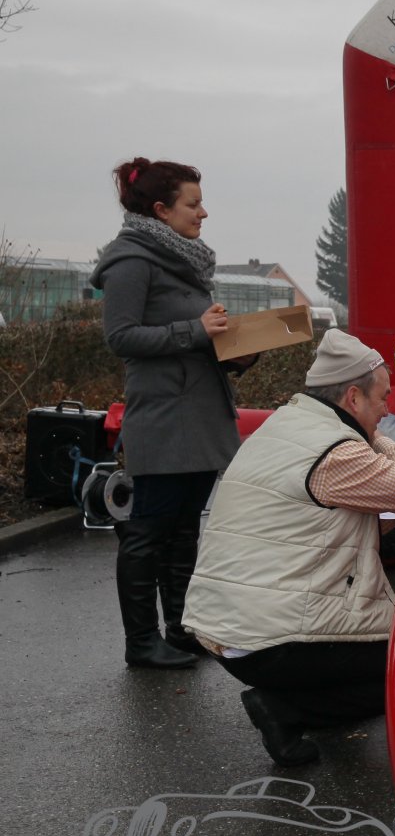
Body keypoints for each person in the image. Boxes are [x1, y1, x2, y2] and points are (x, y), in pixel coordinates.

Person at [183, 330, 395, 766]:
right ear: (353, 397)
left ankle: (301, 698)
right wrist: (390, 446)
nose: (386, 410)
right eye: (383, 399)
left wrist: (372, 439)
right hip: (268, 637)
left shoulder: (286, 425)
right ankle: (286, 709)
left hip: (226, 626)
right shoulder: (336, 452)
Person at [90, 158, 250, 669]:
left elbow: (193, 335)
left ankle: (180, 629)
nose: (204, 212)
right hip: (163, 417)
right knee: (148, 532)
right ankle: (141, 642)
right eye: (193, 203)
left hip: (199, 413)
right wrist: (197, 331)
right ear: (161, 210)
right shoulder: (132, 260)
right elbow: (121, 336)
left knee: (184, 530)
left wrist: (237, 347)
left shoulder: (183, 259)